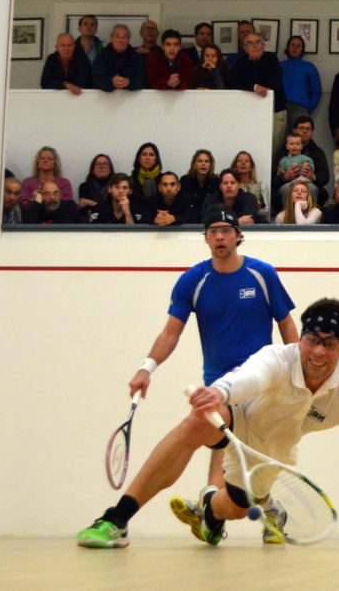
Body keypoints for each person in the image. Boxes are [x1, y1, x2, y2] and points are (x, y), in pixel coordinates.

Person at [77, 297, 339, 551]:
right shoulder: (278, 357)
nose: (318, 352)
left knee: (233, 508)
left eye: (330, 344)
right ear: (300, 338)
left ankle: (211, 515)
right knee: (196, 423)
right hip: (239, 418)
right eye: (312, 339)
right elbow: (247, 379)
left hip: (274, 452)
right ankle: (115, 519)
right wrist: (219, 392)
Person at [75, 210, 299, 548]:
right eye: (213, 231)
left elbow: (286, 324)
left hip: (262, 388)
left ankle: (247, 510)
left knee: (245, 463)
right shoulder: (192, 281)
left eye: (226, 230)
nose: (220, 237)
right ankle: (118, 518)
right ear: (206, 238)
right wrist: (145, 369)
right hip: (219, 391)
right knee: (202, 434)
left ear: (238, 235)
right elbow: (170, 334)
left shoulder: (262, 274)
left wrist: (296, 374)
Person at [229, 32, 287, 158]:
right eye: (250, 43)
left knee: (272, 150)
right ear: (245, 48)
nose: (255, 46)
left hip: (275, 110)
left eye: (258, 42)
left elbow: (272, 81)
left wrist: (250, 83)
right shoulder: (241, 63)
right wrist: (254, 87)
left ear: (263, 46)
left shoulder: (271, 59)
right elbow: (233, 82)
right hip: (250, 112)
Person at [280, 35, 322, 130]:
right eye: (293, 45)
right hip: (281, 110)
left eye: (298, 46)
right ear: (288, 47)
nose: (295, 48)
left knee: (299, 141)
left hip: (300, 109)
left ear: (302, 49)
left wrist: (307, 110)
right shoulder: (280, 66)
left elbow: (317, 91)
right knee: (280, 141)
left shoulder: (309, 67)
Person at [93, 24, 146, 92]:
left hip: (131, 99)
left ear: (128, 40)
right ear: (111, 39)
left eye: (124, 37)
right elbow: (96, 81)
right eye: (117, 37)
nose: (121, 40)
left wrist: (129, 83)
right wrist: (111, 81)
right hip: (106, 99)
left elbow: (142, 81)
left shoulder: (137, 58)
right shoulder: (101, 57)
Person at [277, 132, 320, 209]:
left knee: (313, 188)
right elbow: (280, 172)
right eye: (292, 144)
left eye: (297, 144)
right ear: (287, 146)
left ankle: (312, 210)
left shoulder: (305, 158)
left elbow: (310, 167)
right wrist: (282, 173)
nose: (294, 146)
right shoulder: (283, 160)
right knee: (285, 188)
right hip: (290, 182)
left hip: (304, 182)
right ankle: (287, 211)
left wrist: (306, 168)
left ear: (301, 146)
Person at [231, 151, 268, 222]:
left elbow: (266, 211)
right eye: (240, 161)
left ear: (251, 167)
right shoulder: (230, 186)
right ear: (235, 167)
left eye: (247, 161)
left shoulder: (261, 186)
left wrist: (256, 208)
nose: (243, 163)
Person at [77, 154, 115, 223]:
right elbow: (84, 211)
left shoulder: (116, 187)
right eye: (98, 164)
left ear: (110, 169)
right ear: (92, 170)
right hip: (90, 225)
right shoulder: (84, 187)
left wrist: (92, 204)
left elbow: (113, 210)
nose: (101, 166)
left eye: (105, 164)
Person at [180, 149, 220, 215]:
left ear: (210, 165)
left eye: (206, 161)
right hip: (189, 219)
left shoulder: (216, 182)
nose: (203, 164)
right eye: (200, 161)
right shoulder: (185, 181)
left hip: (209, 218)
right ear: (194, 165)